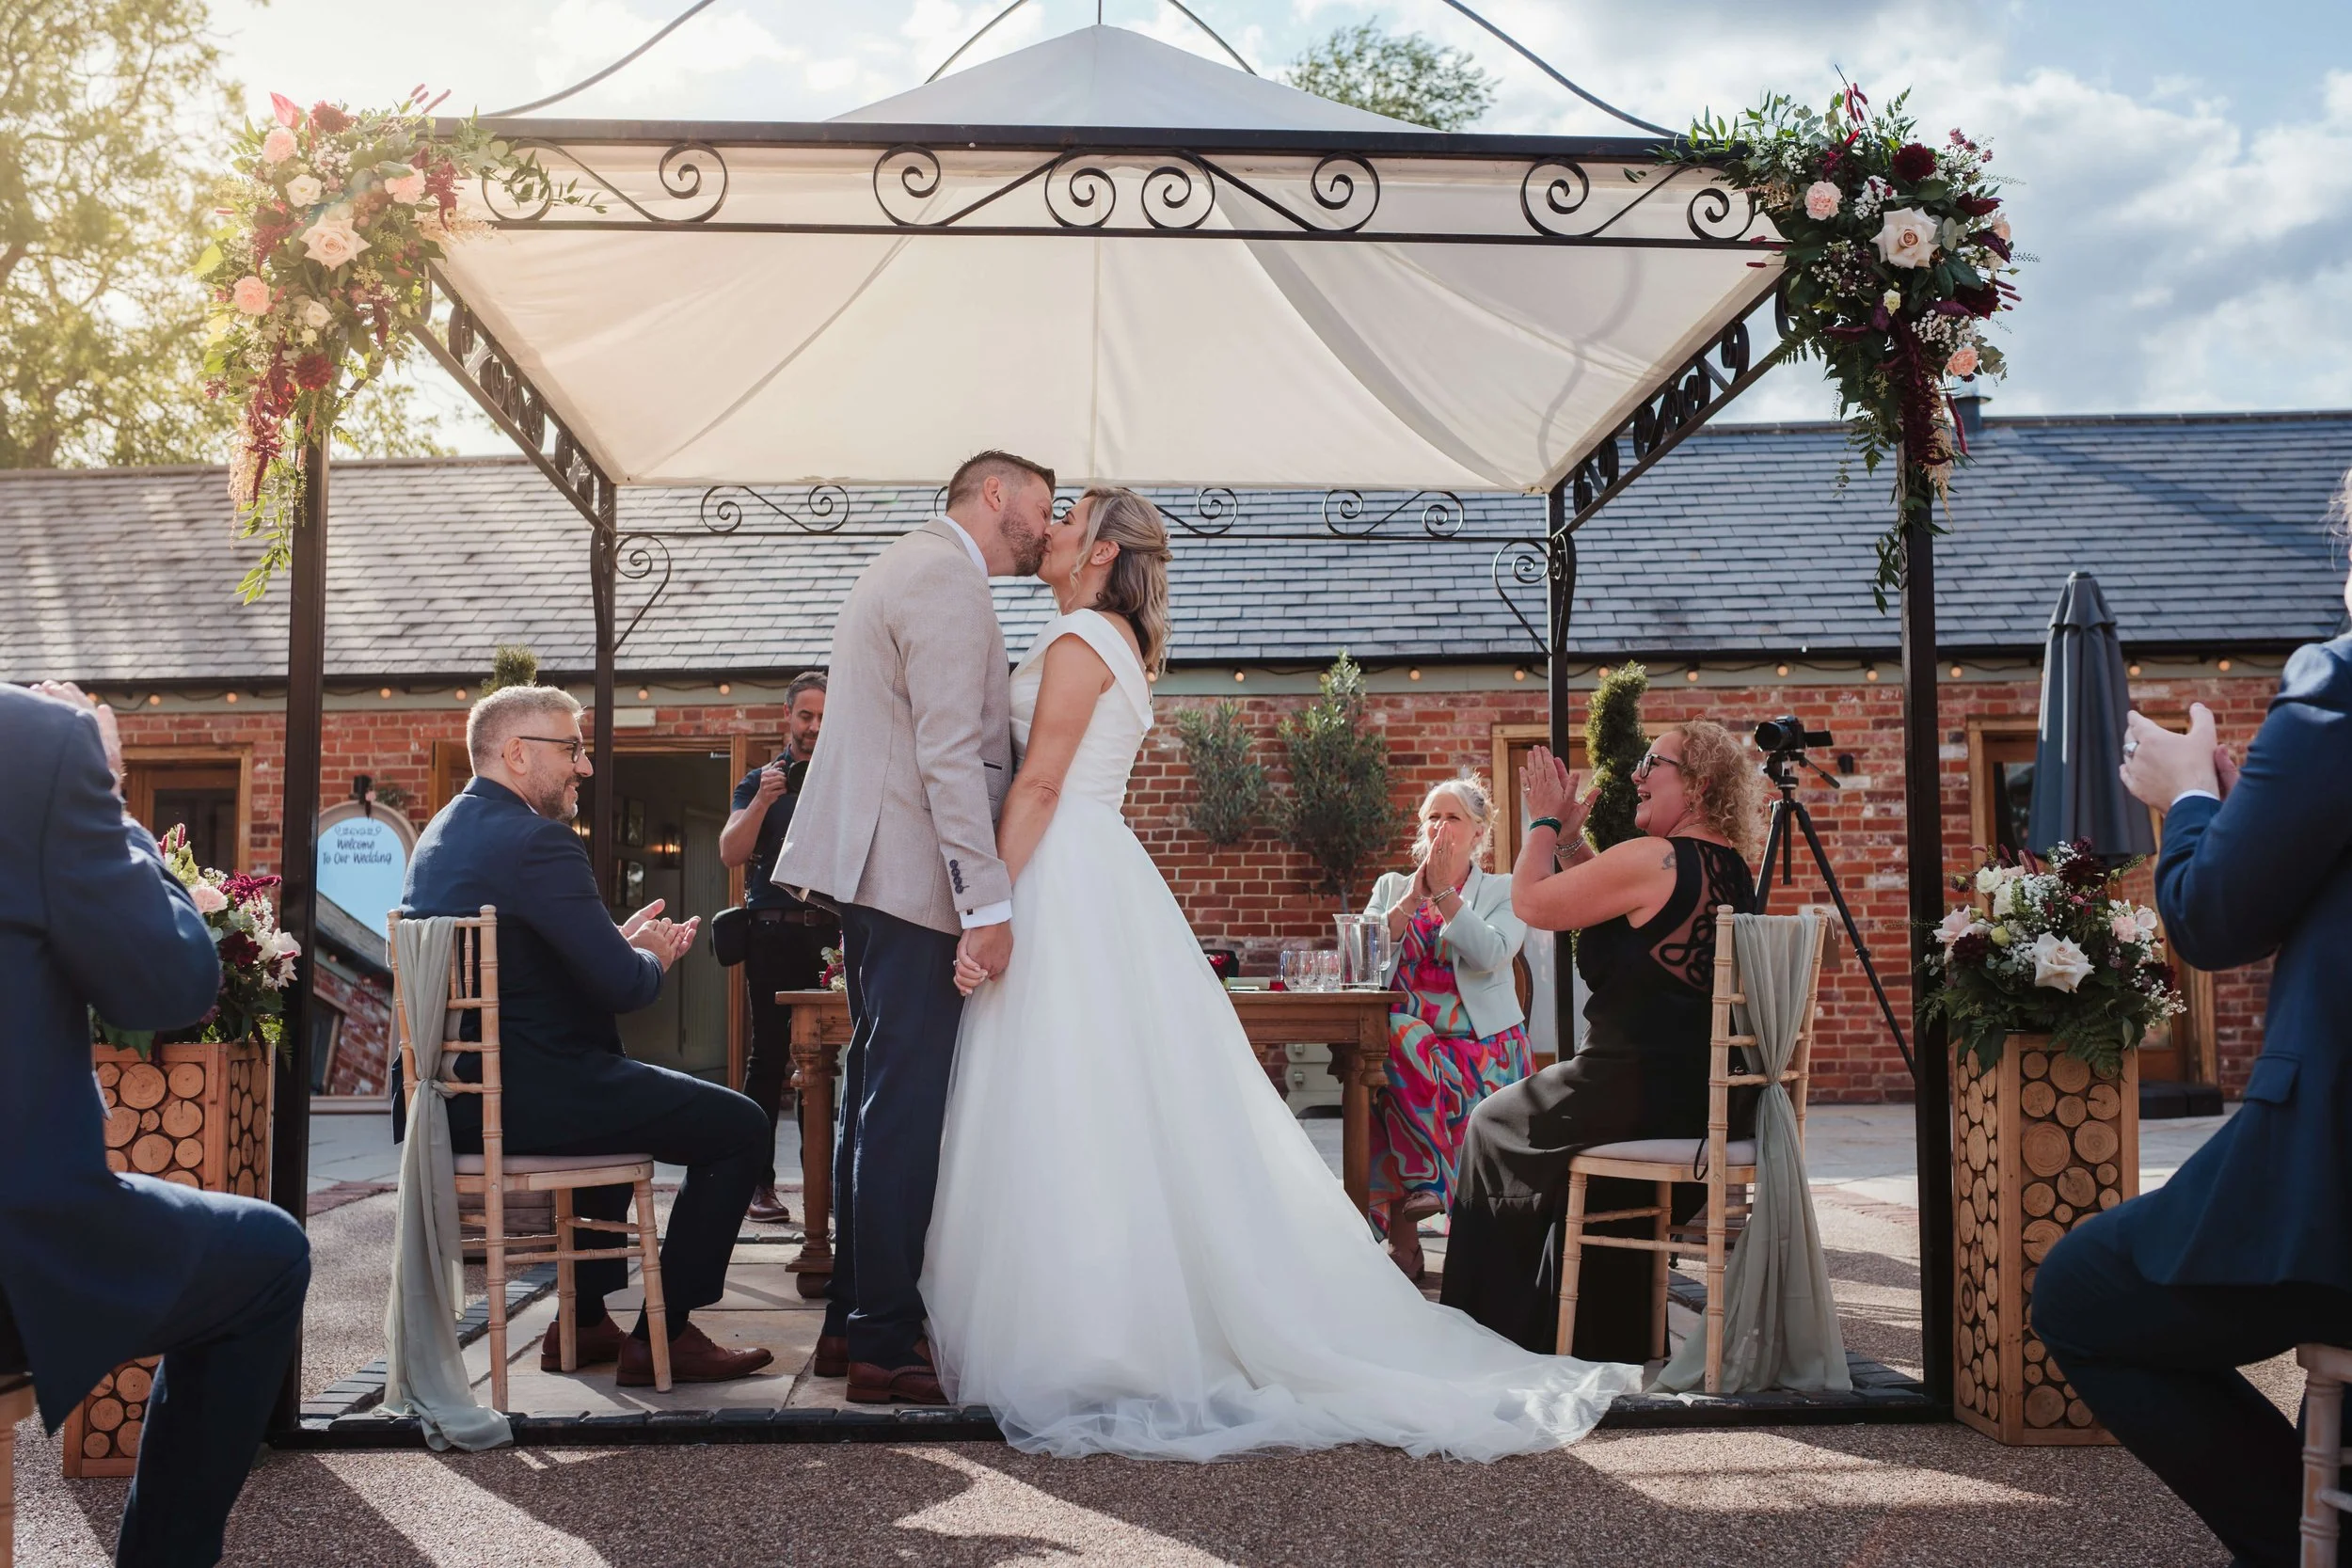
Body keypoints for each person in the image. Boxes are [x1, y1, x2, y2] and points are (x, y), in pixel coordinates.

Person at [921, 486, 1641, 1460]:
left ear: (1097, 552)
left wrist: (987, 906)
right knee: (1089, 1097)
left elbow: (1042, 781)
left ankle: (1091, 1334)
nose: (1047, 524)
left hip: (1060, 871)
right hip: (1091, 869)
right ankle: (1103, 1317)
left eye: (1069, 514)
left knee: (1068, 1092)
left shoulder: (1087, 638)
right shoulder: (1104, 638)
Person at [2032, 519, 2352, 1568]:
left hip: (2334, 1186)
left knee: (2079, 1293)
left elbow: (2213, 919)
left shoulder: (2338, 688)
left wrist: (2190, 795)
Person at [0, 680, 310, 1567]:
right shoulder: (34, 742)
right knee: (268, 1257)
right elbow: (168, 984)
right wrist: (102, 782)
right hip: (14, 1255)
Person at [776, 450, 1050, 1405]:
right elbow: (945, 753)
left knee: (871, 1103)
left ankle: (854, 1319)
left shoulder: (913, 566)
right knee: (901, 1107)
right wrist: (988, 902)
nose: (1045, 527)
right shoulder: (943, 574)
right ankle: (888, 1340)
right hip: (911, 881)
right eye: (1039, 506)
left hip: (880, 877)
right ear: (994, 493)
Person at [401, 683, 773, 1386]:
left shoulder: (443, 833)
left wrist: (620, 941)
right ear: (516, 752)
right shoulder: (539, 842)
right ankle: (671, 1329)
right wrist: (651, 957)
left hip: (453, 1097)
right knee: (742, 1128)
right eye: (571, 748)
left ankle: (585, 1321)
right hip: (531, 1093)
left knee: (613, 1096)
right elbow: (625, 988)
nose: (586, 766)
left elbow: (526, 965)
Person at [1440, 722, 1762, 1361]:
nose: (1637, 773)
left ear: (1697, 784)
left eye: (1653, 762)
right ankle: (1594, 1333)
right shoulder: (1731, 867)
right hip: (1702, 1103)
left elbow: (1531, 902)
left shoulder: (1654, 858)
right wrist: (1576, 844)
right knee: (1519, 1119)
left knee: (1489, 1122)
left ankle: (1489, 1338)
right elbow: (1620, 916)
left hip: (1627, 1093)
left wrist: (1542, 823)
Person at [1362, 776, 1530, 1282]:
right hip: (1407, 1051)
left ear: (1478, 832)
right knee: (1394, 1043)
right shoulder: (1392, 887)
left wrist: (1445, 899)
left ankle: (1438, 1206)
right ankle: (1414, 1217)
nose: (1440, 826)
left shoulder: (1502, 891)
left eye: (1453, 817)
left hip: (1483, 1052)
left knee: (1394, 1056)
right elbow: (1362, 962)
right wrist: (1412, 900)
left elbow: (1495, 953)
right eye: (1432, 817)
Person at [720, 671, 836, 1225]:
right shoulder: (760, 780)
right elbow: (729, 852)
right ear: (788, 716)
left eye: (822, 716)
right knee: (767, 1058)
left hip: (830, 937)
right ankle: (757, 1187)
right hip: (770, 932)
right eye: (805, 716)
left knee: (832, 1059)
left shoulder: (846, 777)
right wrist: (764, 802)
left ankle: (830, 1187)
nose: (813, 726)